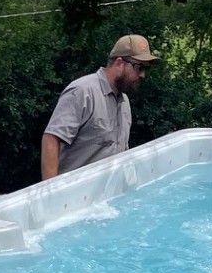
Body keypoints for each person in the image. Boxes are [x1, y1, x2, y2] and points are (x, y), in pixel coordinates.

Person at [40, 35, 161, 180]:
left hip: (107, 192)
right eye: (139, 67)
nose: (142, 75)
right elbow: (51, 138)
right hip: (75, 191)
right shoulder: (83, 91)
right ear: (119, 63)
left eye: (146, 69)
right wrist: (52, 189)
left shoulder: (124, 102)